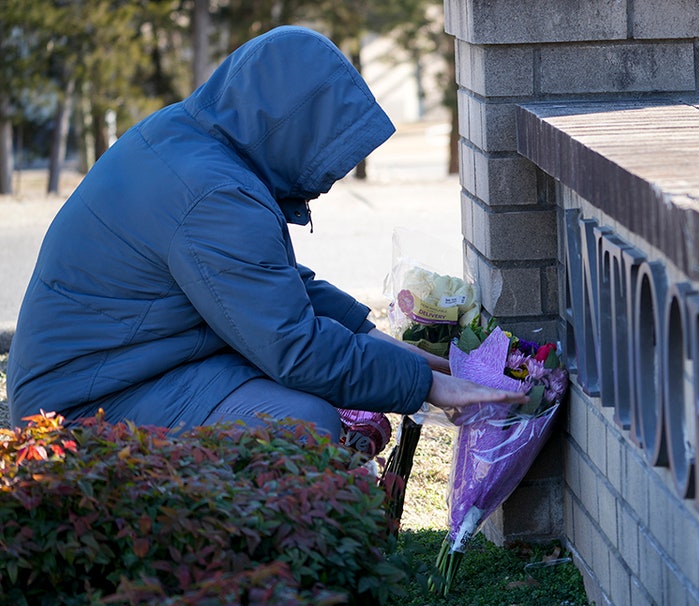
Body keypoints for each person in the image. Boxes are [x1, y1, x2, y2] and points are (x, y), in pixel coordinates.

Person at [6, 26, 524, 440]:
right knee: (301, 425)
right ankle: (245, 567)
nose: (330, 177)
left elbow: (263, 284)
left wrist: (378, 341)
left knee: (314, 399)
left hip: (118, 370)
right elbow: (295, 348)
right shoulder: (215, 196)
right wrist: (430, 385)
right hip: (79, 411)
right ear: (294, 126)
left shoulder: (186, 138)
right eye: (330, 149)